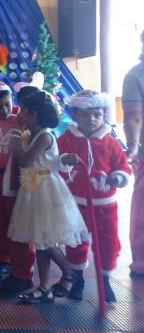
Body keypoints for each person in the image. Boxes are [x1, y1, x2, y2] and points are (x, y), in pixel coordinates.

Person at [7, 90, 89, 303]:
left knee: (47, 242)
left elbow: (26, 161)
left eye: (23, 111)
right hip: (33, 188)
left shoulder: (44, 136)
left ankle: (69, 272)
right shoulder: (31, 133)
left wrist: (15, 141)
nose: (19, 114)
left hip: (45, 189)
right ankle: (44, 286)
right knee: (40, 241)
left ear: (33, 115)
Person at [58, 90, 131, 301]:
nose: (92, 119)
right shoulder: (66, 139)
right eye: (85, 114)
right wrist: (63, 161)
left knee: (108, 243)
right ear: (75, 114)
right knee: (76, 242)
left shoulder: (111, 142)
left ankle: (105, 280)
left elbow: (122, 166)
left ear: (103, 115)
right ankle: (78, 279)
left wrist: (118, 177)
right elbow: (55, 162)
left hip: (106, 205)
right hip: (76, 203)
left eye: (97, 114)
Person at [0, 81, 35, 293]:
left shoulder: (20, 121)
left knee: (20, 225)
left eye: (7, 104)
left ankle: (23, 272)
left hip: (16, 180)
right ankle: (4, 261)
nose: (4, 110)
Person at [122, 33, 144, 278]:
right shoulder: (136, 75)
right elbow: (134, 117)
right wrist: (135, 147)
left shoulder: (135, 75)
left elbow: (134, 116)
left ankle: (141, 263)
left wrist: (134, 147)